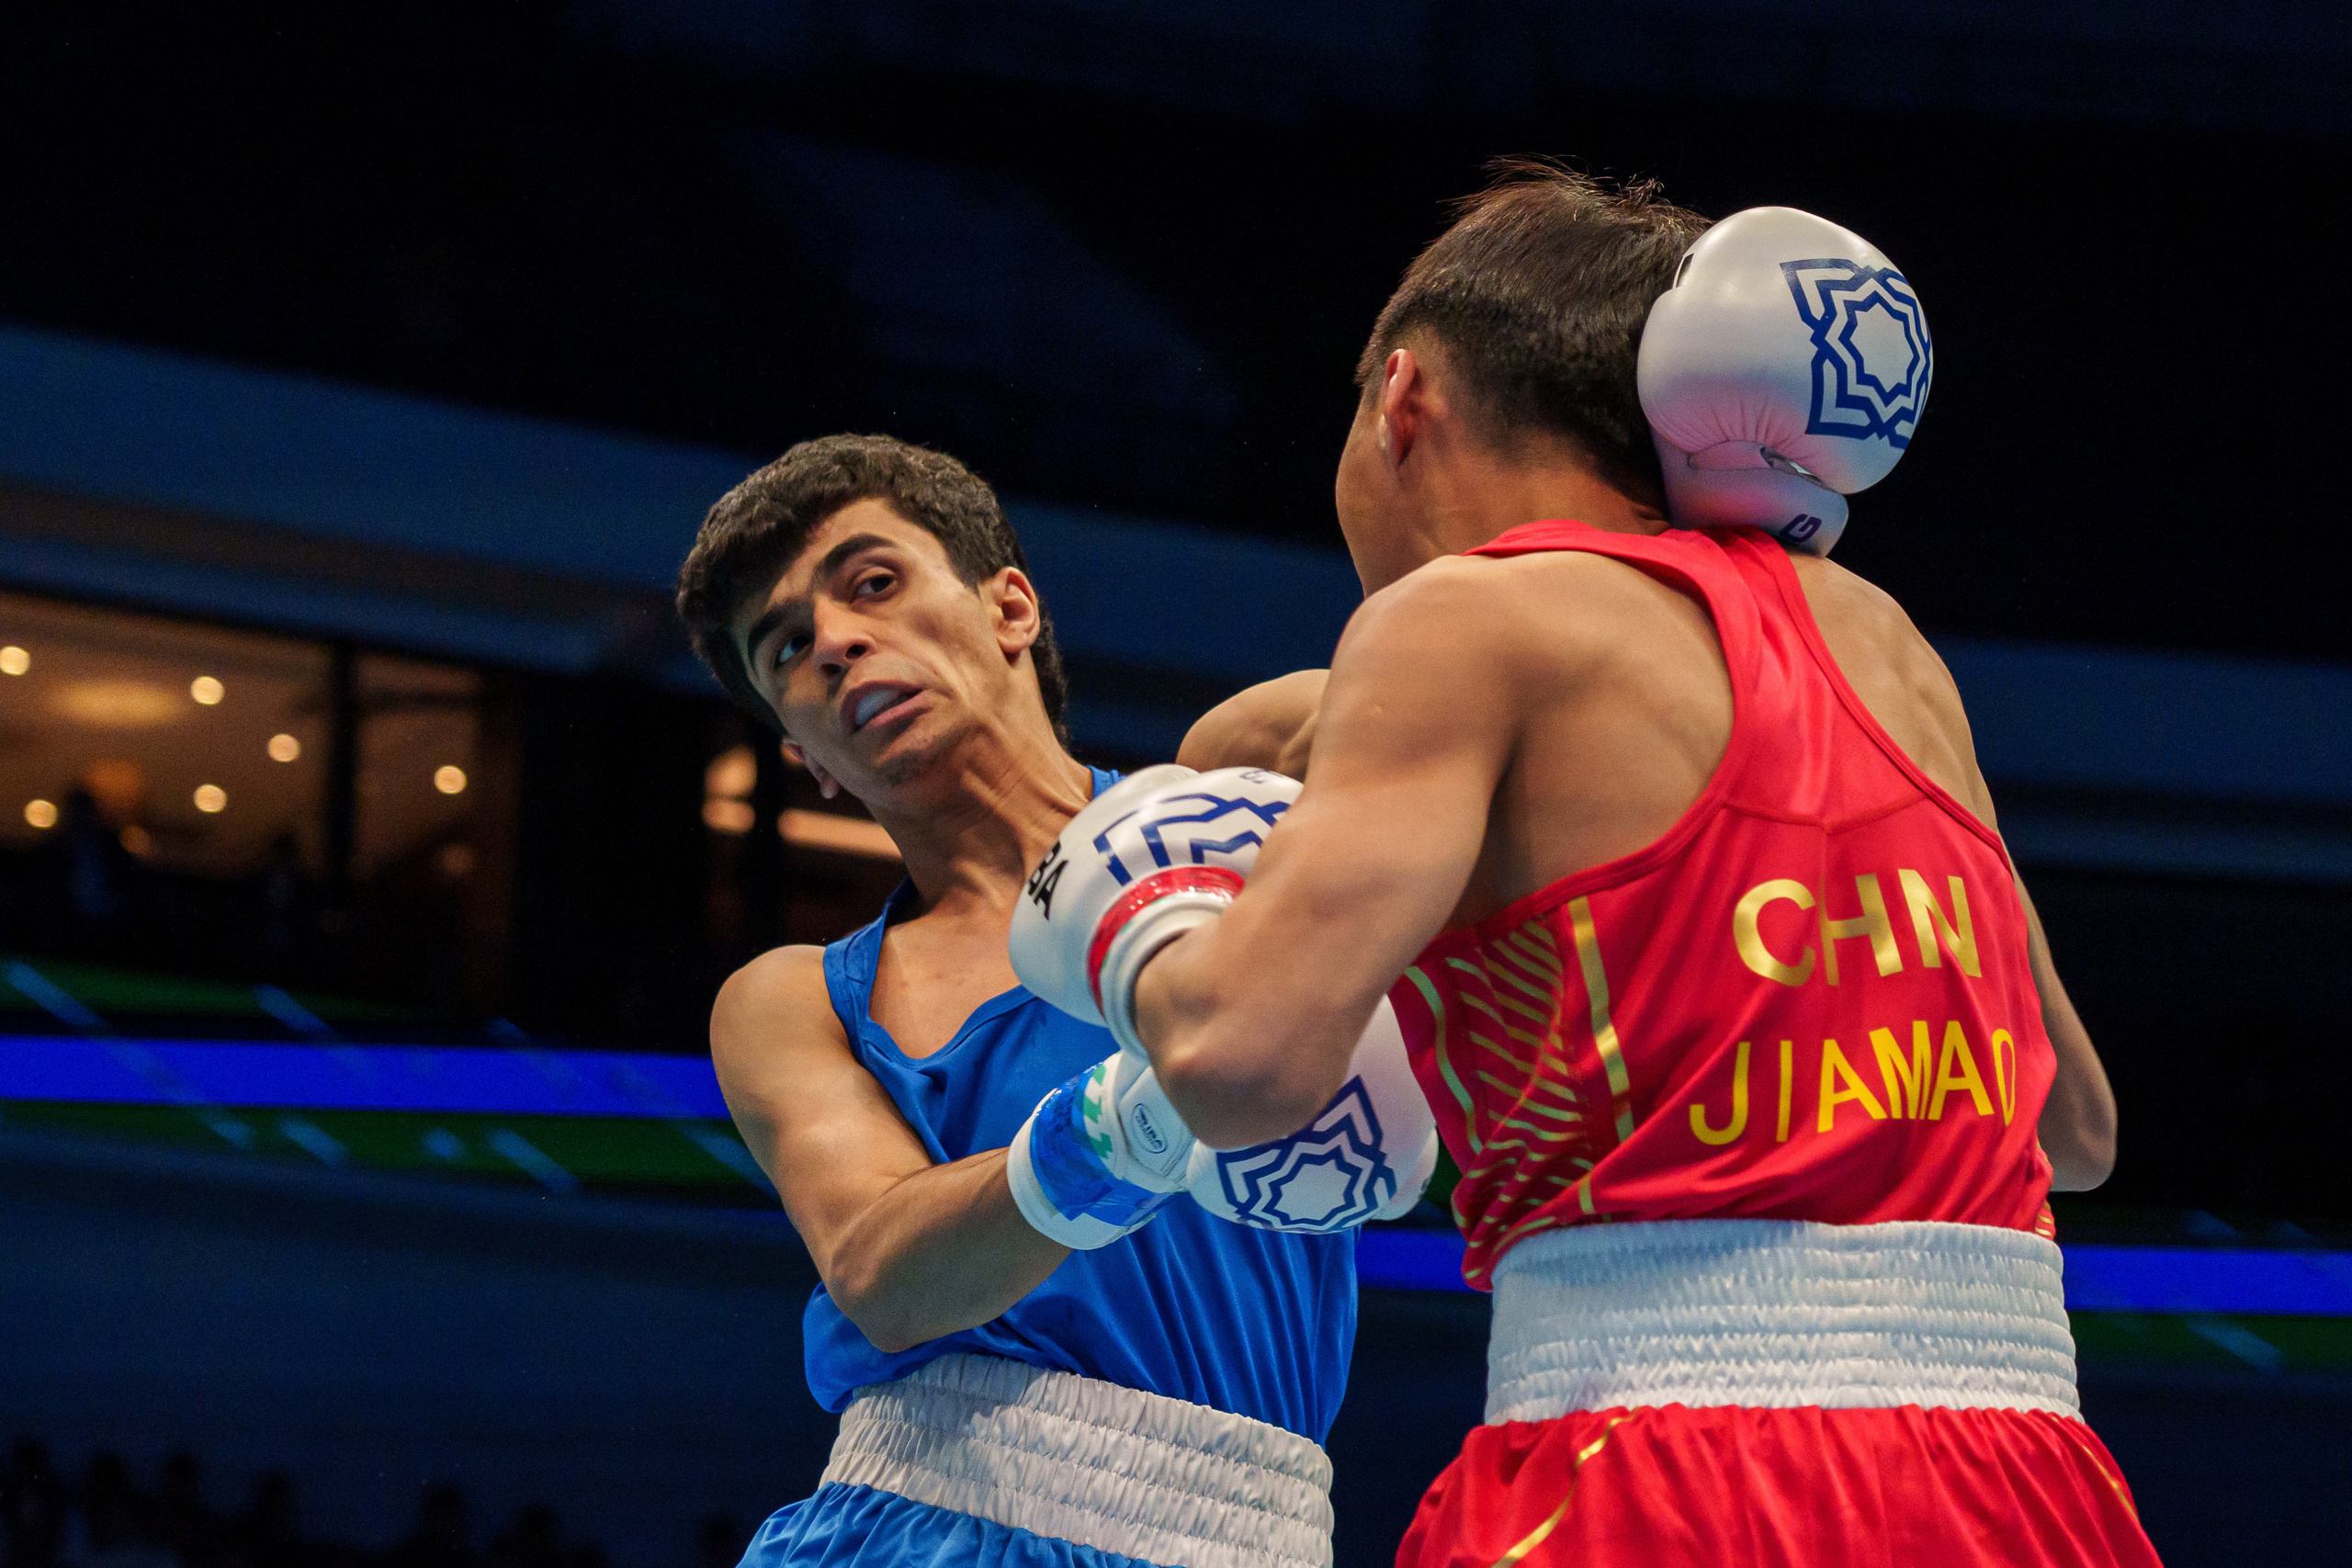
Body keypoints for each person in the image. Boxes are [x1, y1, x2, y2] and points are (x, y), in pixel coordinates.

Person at [1016, 166, 2159, 1564]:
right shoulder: (1887, 640)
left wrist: (1132, 912)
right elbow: (2074, 1130)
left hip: (1656, 1468)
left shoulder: (1456, 623)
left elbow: (1238, 1063)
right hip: (2021, 1478)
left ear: (1401, 398)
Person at [673, 434, 1363, 1568]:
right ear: (810, 760)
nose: (835, 641)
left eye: (872, 583)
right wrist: (1134, 1119)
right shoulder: (799, 999)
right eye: (786, 647)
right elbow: (882, 1273)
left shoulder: (1241, 816)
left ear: (1010, 608)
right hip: (922, 1526)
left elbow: (1482, 690)